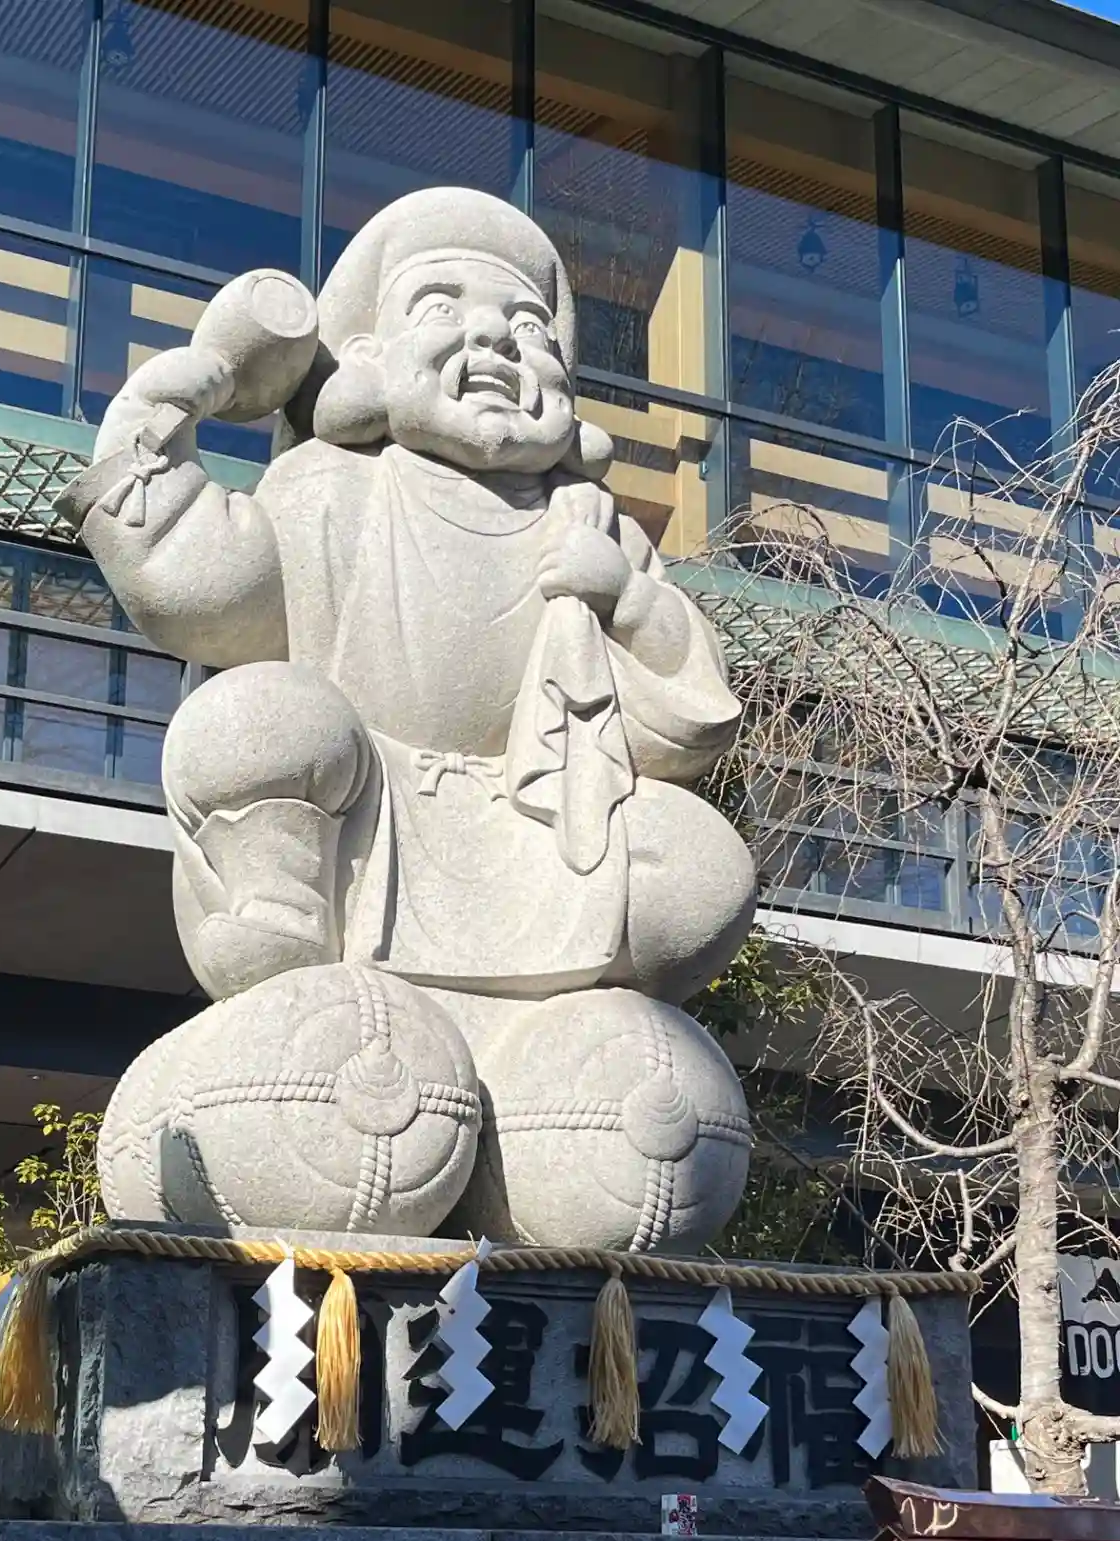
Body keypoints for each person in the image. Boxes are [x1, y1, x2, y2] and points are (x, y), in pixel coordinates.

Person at [69, 187, 754, 1014]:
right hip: (360, 810)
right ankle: (283, 913)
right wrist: (162, 409)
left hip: (544, 821)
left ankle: (586, 998)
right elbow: (198, 592)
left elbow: (688, 719)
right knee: (251, 716)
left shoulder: (595, 524)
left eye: (530, 325)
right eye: (441, 307)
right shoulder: (328, 485)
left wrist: (627, 599)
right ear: (369, 356)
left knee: (703, 864)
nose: (496, 335)